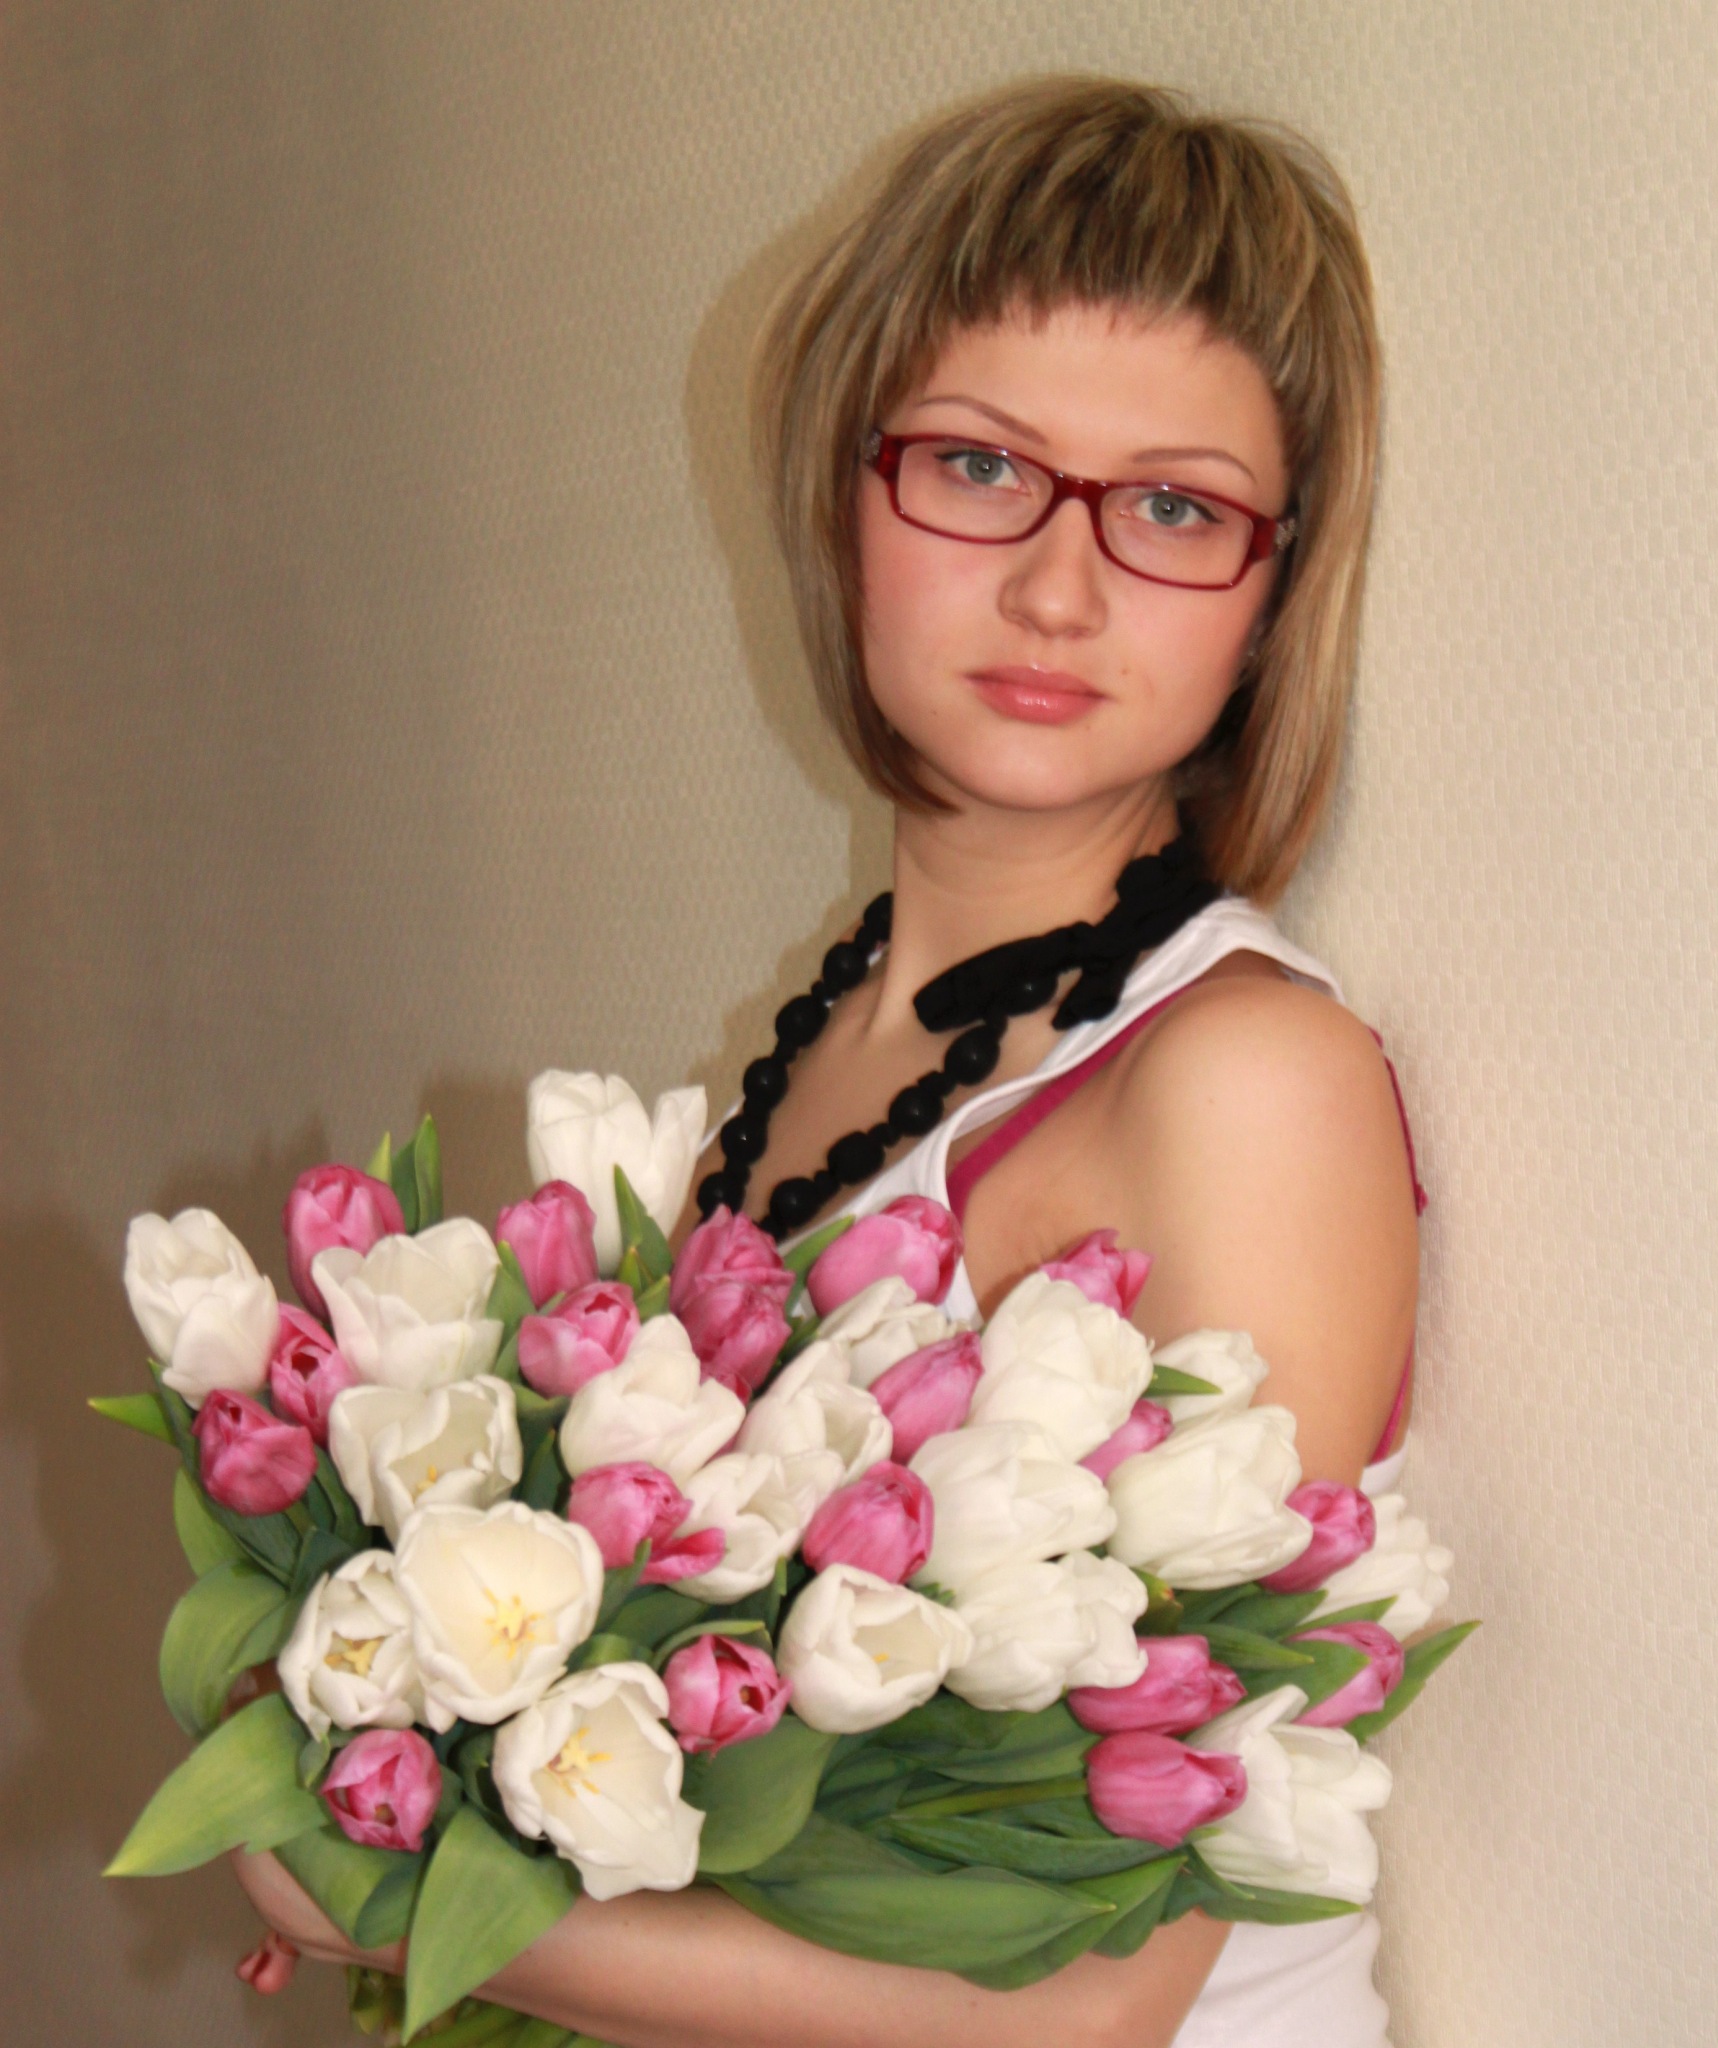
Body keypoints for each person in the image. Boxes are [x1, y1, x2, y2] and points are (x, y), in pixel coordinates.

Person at [235, 76, 1421, 2048]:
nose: (1058, 588)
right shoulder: (829, 1052)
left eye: (1174, 509)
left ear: (1275, 585)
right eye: (977, 466)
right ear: (840, 493)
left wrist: (371, 1879)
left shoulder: (1242, 1082)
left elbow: (1097, 2000)